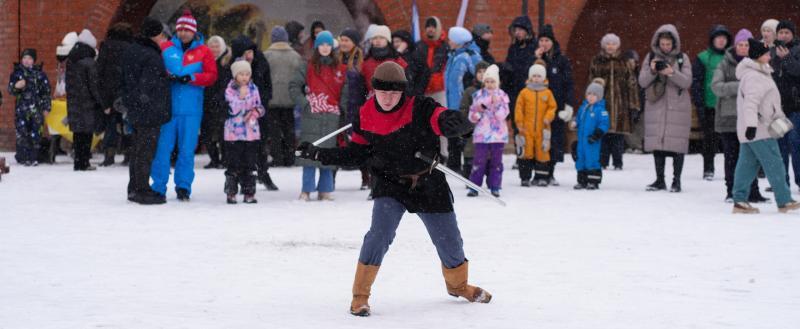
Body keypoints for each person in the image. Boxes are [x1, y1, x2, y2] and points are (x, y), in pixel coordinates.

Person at [296, 61, 491, 317]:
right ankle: (360, 296)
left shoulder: (420, 107)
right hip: (390, 184)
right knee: (378, 235)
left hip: (428, 182)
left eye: (394, 92)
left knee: (449, 239)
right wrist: (319, 153)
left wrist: (456, 123)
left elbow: (441, 118)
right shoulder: (365, 114)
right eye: (382, 92)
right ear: (374, 90)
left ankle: (458, 286)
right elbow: (356, 154)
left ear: (403, 92)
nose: (388, 98)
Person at [151, 9, 218, 201]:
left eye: (187, 30)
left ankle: (183, 186)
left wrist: (192, 78)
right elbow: (155, 71)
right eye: (180, 29)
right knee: (162, 149)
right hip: (168, 107)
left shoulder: (204, 51)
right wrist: (167, 77)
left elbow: (212, 76)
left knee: (187, 150)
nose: (183, 33)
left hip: (191, 109)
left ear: (193, 31)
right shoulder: (166, 48)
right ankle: (158, 186)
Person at [731, 39, 800, 214]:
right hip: (760, 129)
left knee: (747, 166)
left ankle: (739, 200)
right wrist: (752, 126)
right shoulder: (754, 76)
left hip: (753, 129)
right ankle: (784, 200)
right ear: (758, 56)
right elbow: (751, 103)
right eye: (767, 53)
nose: (770, 55)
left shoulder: (759, 72)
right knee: (775, 163)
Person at [711, 29, 769, 203]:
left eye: (746, 45)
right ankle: (731, 191)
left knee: (752, 157)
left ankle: (753, 192)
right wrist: (741, 86)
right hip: (729, 118)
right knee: (731, 157)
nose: (743, 48)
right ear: (735, 46)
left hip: (751, 119)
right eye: (740, 45)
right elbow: (716, 87)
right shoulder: (724, 64)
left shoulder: (758, 64)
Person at [120, 17, 171, 204]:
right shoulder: (151, 55)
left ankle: (134, 187)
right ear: (154, 35)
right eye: (161, 34)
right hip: (149, 110)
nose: (163, 38)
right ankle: (141, 190)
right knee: (145, 151)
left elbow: (128, 79)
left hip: (136, 109)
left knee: (137, 150)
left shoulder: (132, 50)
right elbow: (148, 84)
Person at [290, 31, 346, 201]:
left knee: (328, 154)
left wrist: (341, 109)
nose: (325, 48)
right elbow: (294, 86)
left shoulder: (340, 68)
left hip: (332, 116)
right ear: (316, 47)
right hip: (312, 115)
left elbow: (345, 91)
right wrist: (305, 104)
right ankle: (306, 190)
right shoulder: (307, 66)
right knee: (309, 153)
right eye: (321, 44)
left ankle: (325, 190)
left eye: (328, 44)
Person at [639, 24, 693, 193]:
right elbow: (642, 81)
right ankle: (660, 180)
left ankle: (677, 181)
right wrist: (653, 71)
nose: (665, 47)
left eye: (668, 44)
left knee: (678, 144)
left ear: (674, 43)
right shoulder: (650, 57)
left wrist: (671, 72)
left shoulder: (682, 58)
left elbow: (687, 82)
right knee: (658, 143)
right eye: (662, 44)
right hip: (656, 104)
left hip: (678, 106)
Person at [230, 35, 276, 191]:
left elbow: (267, 87)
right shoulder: (232, 67)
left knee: (260, 145)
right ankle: (239, 178)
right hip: (237, 115)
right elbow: (227, 92)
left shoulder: (260, 62)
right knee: (239, 149)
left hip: (258, 112)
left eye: (250, 52)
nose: (249, 56)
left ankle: (263, 172)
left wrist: (258, 105)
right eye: (245, 53)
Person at [588, 34, 640, 170]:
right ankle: (603, 161)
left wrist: (633, 104)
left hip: (620, 103)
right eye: (608, 43)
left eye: (613, 44)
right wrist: (590, 101)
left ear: (618, 46)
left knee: (618, 135)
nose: (610, 46)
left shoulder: (624, 62)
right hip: (602, 102)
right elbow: (591, 81)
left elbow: (632, 83)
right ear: (603, 45)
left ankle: (618, 162)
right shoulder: (597, 61)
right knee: (603, 133)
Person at [534, 25, 574, 186]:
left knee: (554, 140)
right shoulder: (535, 58)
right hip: (538, 106)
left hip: (556, 107)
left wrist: (568, 104)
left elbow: (568, 83)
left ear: (552, 42)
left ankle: (550, 172)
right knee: (538, 139)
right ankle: (539, 173)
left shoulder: (561, 60)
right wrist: (537, 59)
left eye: (547, 40)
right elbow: (527, 77)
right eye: (541, 40)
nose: (544, 43)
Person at [691, 25, 732, 180]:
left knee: (730, 141)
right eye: (718, 37)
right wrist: (699, 104)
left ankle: (731, 170)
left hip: (729, 106)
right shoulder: (702, 58)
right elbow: (696, 83)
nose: (721, 40)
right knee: (709, 139)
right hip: (710, 106)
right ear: (712, 40)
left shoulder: (732, 57)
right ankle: (708, 168)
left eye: (724, 38)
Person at [223, 60, 265, 204]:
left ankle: (249, 192)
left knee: (250, 164)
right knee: (233, 164)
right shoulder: (230, 89)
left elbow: (260, 107)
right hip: (233, 133)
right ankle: (231, 192)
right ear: (235, 75)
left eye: (247, 74)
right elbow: (231, 109)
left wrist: (254, 113)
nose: (244, 77)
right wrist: (241, 98)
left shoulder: (254, 88)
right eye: (241, 74)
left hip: (251, 133)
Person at [264, 26, 304, 167]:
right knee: (289, 130)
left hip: (272, 99)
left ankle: (277, 157)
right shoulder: (295, 56)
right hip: (289, 99)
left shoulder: (266, 55)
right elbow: (300, 77)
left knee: (274, 131)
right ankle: (290, 157)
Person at [467, 64, 508, 197]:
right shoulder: (478, 95)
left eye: (492, 81)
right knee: (479, 161)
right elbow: (471, 115)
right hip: (482, 135)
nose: (490, 84)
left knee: (496, 162)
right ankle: (474, 186)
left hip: (498, 136)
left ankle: (495, 186)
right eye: (487, 81)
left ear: (497, 82)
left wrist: (495, 105)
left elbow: (502, 115)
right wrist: (478, 113)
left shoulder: (502, 96)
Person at [445, 26, 482, 173]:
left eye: (451, 39)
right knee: (453, 134)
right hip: (452, 103)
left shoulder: (470, 56)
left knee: (465, 136)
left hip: (465, 103)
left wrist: (472, 98)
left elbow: (480, 78)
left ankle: (468, 165)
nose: (449, 41)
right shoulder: (453, 56)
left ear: (458, 41)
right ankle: (454, 164)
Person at [97, 23, 133, 167]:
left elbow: (99, 71)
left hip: (109, 91)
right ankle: (128, 153)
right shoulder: (131, 47)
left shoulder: (106, 46)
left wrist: (103, 96)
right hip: (125, 90)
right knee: (127, 123)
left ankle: (109, 154)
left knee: (110, 125)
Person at [66, 29, 102, 172]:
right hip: (87, 103)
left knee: (78, 133)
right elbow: (94, 86)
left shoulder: (71, 60)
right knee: (87, 134)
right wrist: (101, 101)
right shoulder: (89, 62)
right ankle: (84, 162)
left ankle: (78, 162)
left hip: (74, 102)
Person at [515, 62, 557, 186]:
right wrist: (519, 123)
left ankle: (541, 177)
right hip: (526, 128)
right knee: (526, 153)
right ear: (530, 77)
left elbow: (552, 107)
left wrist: (548, 117)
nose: (536, 78)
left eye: (539, 76)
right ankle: (525, 177)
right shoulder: (524, 92)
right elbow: (519, 109)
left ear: (543, 78)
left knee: (542, 152)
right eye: (534, 76)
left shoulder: (547, 93)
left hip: (543, 128)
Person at [770, 20, 800, 191]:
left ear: (792, 34)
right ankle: (782, 182)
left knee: (796, 144)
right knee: (780, 147)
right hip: (777, 108)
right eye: (781, 32)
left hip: (796, 106)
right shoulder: (771, 51)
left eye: (787, 32)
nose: (783, 35)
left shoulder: (798, 49)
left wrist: (787, 58)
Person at [8, 48, 50, 166]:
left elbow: (46, 92)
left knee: (36, 133)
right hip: (21, 110)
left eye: (30, 58)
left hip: (36, 110)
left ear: (34, 60)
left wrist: (46, 107)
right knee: (22, 133)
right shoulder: (16, 74)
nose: (26, 60)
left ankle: (34, 157)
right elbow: (10, 90)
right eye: (24, 58)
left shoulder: (40, 75)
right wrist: (16, 86)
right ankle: (23, 157)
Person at [572, 79, 610, 190]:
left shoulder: (601, 110)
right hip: (582, 140)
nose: (591, 97)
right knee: (581, 159)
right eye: (589, 94)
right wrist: (575, 123)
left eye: (594, 95)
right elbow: (578, 118)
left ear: (599, 97)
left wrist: (597, 134)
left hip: (592, 141)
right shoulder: (583, 108)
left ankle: (593, 181)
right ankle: (582, 181)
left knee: (592, 160)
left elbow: (604, 124)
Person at [200, 35, 231, 170]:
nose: (214, 49)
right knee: (206, 132)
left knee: (223, 133)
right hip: (206, 102)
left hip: (222, 103)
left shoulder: (227, 62)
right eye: (211, 46)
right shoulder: (205, 61)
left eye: (217, 46)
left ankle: (225, 159)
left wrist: (219, 97)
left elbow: (227, 83)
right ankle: (214, 159)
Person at [502, 16, 537, 128]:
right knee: (517, 126)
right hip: (514, 93)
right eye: (515, 30)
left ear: (527, 31)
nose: (517, 33)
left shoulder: (535, 47)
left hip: (529, 92)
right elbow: (508, 70)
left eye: (520, 30)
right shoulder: (513, 48)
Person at [459, 61, 491, 177]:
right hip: (473, 129)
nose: (482, 74)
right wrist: (467, 123)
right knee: (471, 152)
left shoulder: (493, 91)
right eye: (479, 72)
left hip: (489, 130)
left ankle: (490, 177)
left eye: (484, 72)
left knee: (489, 154)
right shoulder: (469, 91)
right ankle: (469, 177)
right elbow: (463, 108)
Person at [415, 16, 449, 105]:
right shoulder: (419, 46)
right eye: (428, 26)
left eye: (433, 27)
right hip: (422, 87)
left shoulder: (445, 47)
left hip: (439, 88)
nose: (430, 29)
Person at [392, 29, 429, 96]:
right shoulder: (393, 56)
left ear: (405, 42)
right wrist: (398, 53)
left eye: (397, 41)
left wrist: (417, 93)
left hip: (412, 95)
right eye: (393, 42)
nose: (395, 44)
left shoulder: (416, 55)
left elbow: (424, 74)